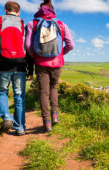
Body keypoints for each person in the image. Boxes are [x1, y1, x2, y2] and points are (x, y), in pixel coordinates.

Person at [25, 0, 74, 132]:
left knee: (43, 91)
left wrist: (35, 56)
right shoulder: (61, 24)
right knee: (54, 88)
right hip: (57, 62)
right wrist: (61, 54)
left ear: (39, 10)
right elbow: (70, 45)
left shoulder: (32, 23)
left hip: (40, 63)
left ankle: (46, 122)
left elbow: (28, 46)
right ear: (52, 10)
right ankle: (55, 115)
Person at [0, 1, 33, 136]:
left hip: (2, 65)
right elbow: (28, 48)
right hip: (20, 66)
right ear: (18, 12)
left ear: (6, 10)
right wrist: (30, 70)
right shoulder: (23, 25)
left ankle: (6, 116)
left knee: (1, 92)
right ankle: (20, 128)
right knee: (19, 96)